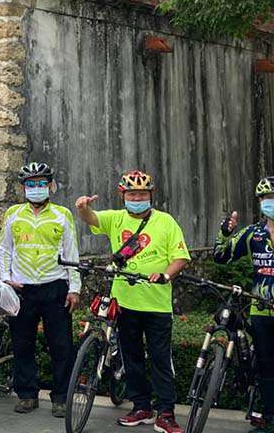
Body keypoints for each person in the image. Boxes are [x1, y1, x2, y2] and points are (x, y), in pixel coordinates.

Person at [76, 170, 190, 433]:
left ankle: (166, 412)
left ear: (150, 195)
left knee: (161, 359)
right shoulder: (116, 219)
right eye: (132, 194)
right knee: (132, 356)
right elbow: (92, 218)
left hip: (156, 304)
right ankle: (141, 407)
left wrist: (165, 274)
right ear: (122, 195)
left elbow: (180, 256)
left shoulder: (166, 221)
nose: (137, 198)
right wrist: (83, 208)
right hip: (124, 302)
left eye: (142, 193)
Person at [0, 162, 80, 417]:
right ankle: (27, 395)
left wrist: (74, 288)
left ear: (51, 186)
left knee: (61, 345)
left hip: (55, 287)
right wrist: (5, 280)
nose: (36, 188)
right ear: (23, 188)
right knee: (23, 344)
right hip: (22, 288)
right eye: (31, 184)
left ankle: (61, 398)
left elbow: (72, 252)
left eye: (41, 183)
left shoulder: (62, 214)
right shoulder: (13, 214)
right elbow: (5, 249)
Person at [214, 176, 274, 433]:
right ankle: (269, 419)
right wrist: (225, 232)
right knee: (266, 368)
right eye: (266, 198)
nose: (270, 202)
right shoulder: (253, 234)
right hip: (261, 310)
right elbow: (220, 256)